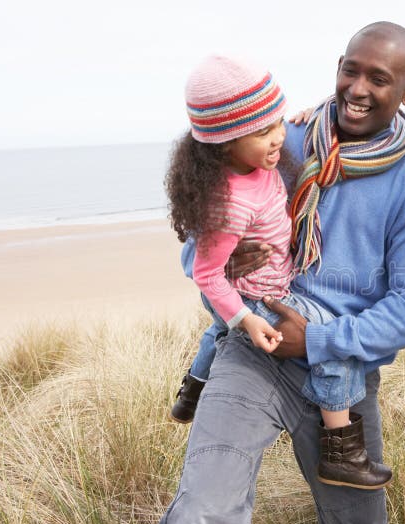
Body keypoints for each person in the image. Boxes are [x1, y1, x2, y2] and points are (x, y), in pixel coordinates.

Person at [159, 21, 405, 524]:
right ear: (337, 68)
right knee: (205, 510)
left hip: (341, 371)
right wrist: (224, 263)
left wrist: (314, 340)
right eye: (350, 71)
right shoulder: (279, 137)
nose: (358, 89)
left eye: (379, 79)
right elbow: (199, 246)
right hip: (252, 353)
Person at [164, 55, 393, 490]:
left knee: (217, 332)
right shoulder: (229, 203)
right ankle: (341, 448)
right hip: (257, 298)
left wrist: (321, 108)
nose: (279, 138)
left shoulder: (258, 163)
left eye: (277, 123)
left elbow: (281, 123)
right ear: (224, 141)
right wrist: (247, 319)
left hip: (259, 286)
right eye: (263, 131)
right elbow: (208, 274)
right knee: (332, 338)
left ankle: (193, 387)